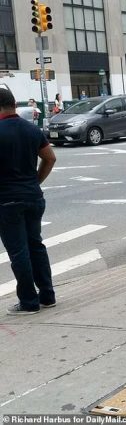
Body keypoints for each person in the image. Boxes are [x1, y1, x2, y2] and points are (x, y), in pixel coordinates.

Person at [0, 88, 57, 315]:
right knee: (36, 246)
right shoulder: (31, 129)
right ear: (14, 104)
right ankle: (47, 295)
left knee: (19, 252)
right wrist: (36, 181)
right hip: (33, 196)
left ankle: (28, 301)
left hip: (6, 201)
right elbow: (50, 158)